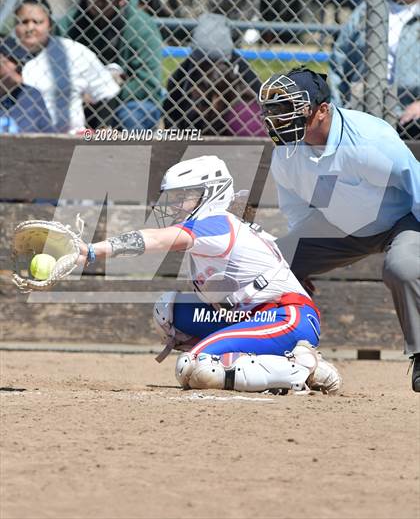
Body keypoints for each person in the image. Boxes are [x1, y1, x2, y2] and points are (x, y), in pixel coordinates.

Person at [78, 155, 341, 394]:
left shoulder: (215, 223)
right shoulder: (218, 225)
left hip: (286, 317)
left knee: (195, 368)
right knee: (168, 310)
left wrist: (93, 250)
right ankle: (273, 359)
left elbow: (156, 239)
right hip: (253, 315)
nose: (176, 205)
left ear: (211, 194)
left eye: (185, 196)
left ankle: (303, 367)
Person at [258, 66, 420, 391]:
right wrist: (296, 270)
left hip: (401, 219)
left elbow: (416, 185)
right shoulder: (286, 155)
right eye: (276, 111)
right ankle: (271, 354)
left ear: (322, 110)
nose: (279, 120)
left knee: (402, 266)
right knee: (269, 267)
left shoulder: (368, 142)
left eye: (290, 110)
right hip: (339, 225)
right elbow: (300, 218)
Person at [59, 0, 162, 131]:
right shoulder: (69, 24)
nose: (98, 1)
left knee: (130, 117)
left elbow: (148, 84)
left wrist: (106, 91)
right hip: (80, 97)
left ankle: (128, 158)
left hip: (128, 100)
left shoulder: (142, 26)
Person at [329, 0, 420, 139]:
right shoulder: (367, 10)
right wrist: (336, 112)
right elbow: (339, 60)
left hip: (409, 111)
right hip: (363, 105)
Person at [12, 0, 120, 134]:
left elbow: (107, 91)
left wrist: (103, 129)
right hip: (13, 134)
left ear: (50, 24)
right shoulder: (5, 55)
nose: (30, 28)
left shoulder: (73, 52)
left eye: (37, 22)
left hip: (68, 137)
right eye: (23, 22)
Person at [163, 13, 264, 136]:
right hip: (192, 131)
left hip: (231, 134)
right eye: (202, 65)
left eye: (218, 64)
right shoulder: (185, 71)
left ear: (227, 60)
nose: (209, 69)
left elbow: (260, 105)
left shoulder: (241, 69)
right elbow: (171, 112)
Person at [0, 37, 53, 133]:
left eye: (23, 63)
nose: (21, 67)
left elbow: (49, 138)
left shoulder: (31, 95)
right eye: (15, 60)